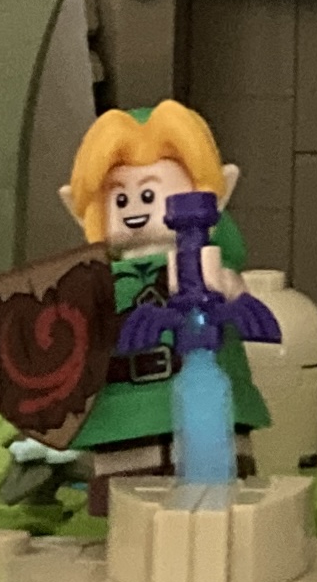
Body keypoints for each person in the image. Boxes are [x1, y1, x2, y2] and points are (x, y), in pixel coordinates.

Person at [62, 101, 270, 502]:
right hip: (121, 413)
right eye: (120, 199)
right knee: (128, 499)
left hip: (204, 399)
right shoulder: (98, 278)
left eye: (149, 193)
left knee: (214, 495)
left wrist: (222, 281)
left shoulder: (204, 261)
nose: (136, 211)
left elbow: (227, 287)